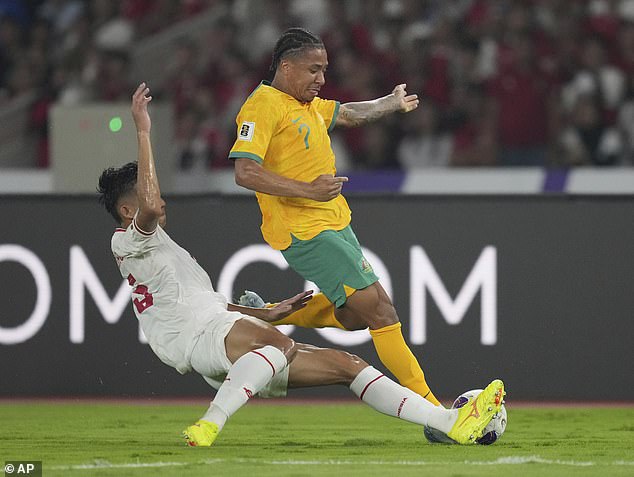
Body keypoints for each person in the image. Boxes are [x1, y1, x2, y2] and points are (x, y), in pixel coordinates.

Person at [97, 83, 504, 447]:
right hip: (205, 339)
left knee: (349, 366)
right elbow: (152, 203)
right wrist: (144, 130)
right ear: (127, 208)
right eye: (148, 194)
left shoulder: (162, 251)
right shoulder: (129, 240)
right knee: (284, 343)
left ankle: (449, 422)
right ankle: (209, 424)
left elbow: (204, 302)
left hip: (216, 339)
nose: (159, 199)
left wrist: (266, 313)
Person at [230, 27, 441, 405]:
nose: (321, 79)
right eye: (314, 70)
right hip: (303, 230)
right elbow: (245, 171)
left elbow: (348, 113)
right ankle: (433, 408)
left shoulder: (306, 105)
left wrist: (389, 104)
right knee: (380, 310)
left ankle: (273, 315)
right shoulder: (261, 106)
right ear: (286, 66)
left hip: (334, 222)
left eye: (324, 70)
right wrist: (309, 190)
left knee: (355, 316)